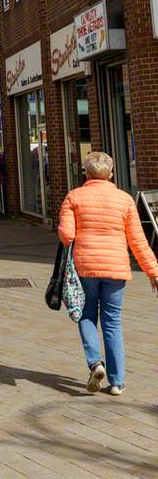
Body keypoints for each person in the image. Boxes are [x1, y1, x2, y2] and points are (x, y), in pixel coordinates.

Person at [58, 150, 158, 395]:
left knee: (86, 315)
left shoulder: (74, 197)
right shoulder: (124, 200)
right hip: (116, 269)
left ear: (86, 173)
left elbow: (67, 234)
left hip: (85, 267)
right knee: (112, 322)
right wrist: (153, 271)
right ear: (111, 173)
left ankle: (95, 362)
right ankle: (117, 382)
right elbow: (138, 241)